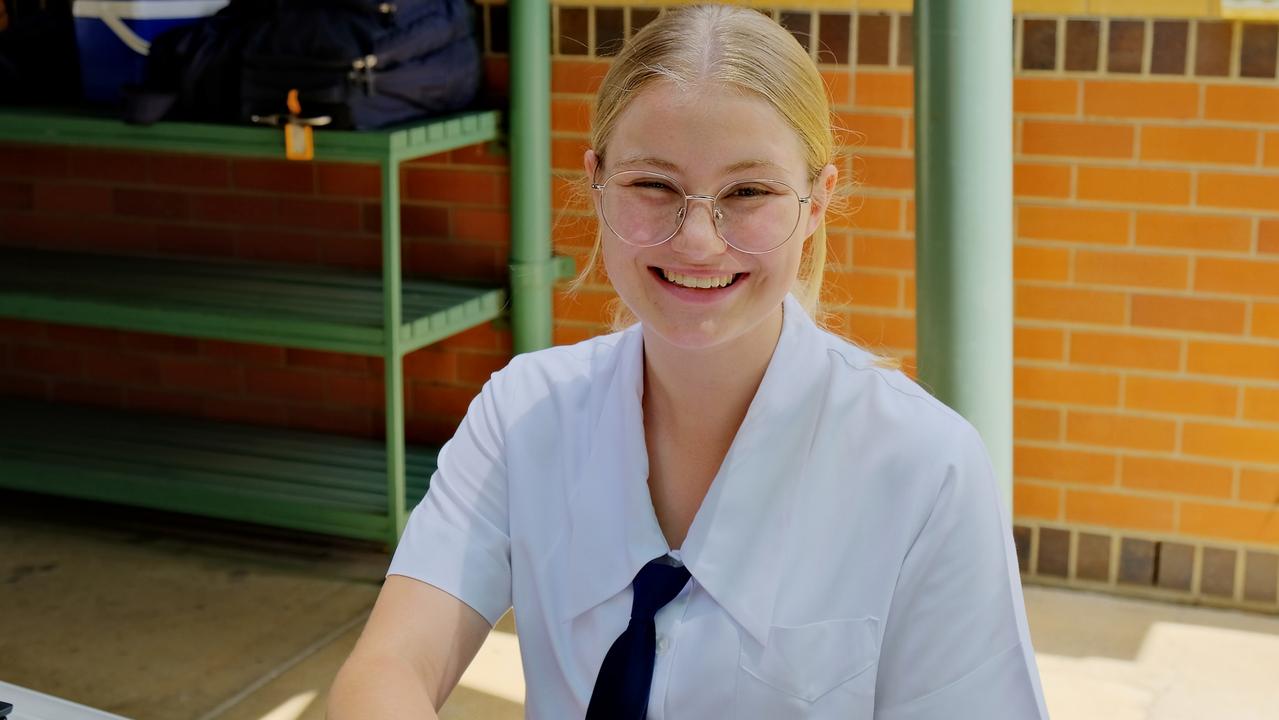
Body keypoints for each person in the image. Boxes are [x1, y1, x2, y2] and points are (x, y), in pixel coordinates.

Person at [327, 5, 1048, 719]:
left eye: (748, 192)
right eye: (654, 186)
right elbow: (390, 666)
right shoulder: (522, 414)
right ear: (597, 183)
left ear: (817, 202)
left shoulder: (925, 468)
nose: (698, 240)